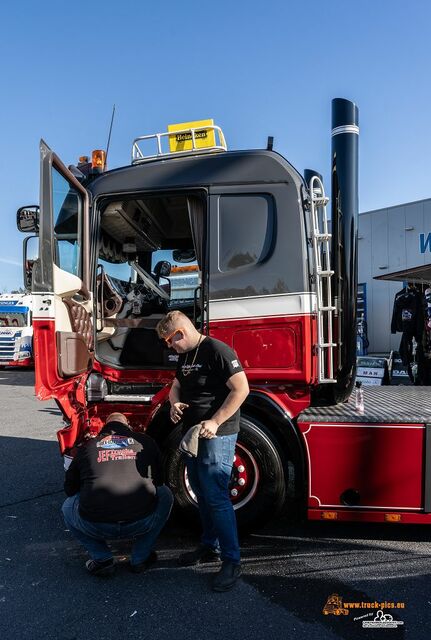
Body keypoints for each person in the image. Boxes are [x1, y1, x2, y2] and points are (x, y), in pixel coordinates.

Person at [156, 310, 249, 592]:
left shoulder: (217, 350)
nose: (170, 347)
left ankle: (232, 561)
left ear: (180, 333)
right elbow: (176, 386)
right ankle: (210, 546)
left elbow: (241, 389)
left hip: (217, 434)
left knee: (216, 495)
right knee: (200, 490)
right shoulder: (186, 356)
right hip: (193, 433)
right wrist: (174, 404)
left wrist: (215, 420)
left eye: (170, 342)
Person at [61, 412, 173, 576]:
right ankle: (140, 558)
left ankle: (102, 558)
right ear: (128, 425)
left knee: (67, 506)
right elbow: (160, 480)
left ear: (104, 427)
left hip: (96, 526)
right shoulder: (146, 442)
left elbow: (70, 489)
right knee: (165, 494)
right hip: (141, 521)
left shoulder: (88, 447)